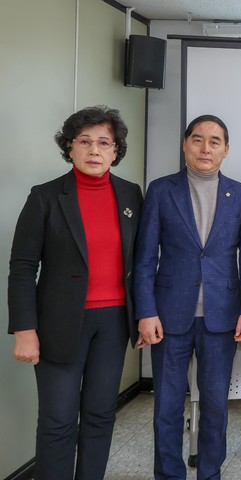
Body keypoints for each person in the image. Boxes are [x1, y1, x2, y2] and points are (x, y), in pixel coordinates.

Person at [7, 106, 143, 480]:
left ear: (116, 150)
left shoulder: (131, 195)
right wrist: (24, 329)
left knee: (100, 414)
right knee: (58, 419)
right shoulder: (45, 197)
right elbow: (22, 268)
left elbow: (141, 261)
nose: (94, 150)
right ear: (69, 148)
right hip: (59, 324)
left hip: (114, 323)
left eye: (104, 143)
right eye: (84, 141)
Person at [134, 114, 241, 480]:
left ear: (226, 150)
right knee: (167, 407)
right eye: (198, 139)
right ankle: (169, 475)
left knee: (215, 406)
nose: (205, 148)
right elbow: (144, 258)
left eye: (214, 141)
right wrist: (146, 311)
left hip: (222, 316)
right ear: (185, 144)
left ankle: (209, 473)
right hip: (168, 316)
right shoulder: (160, 190)